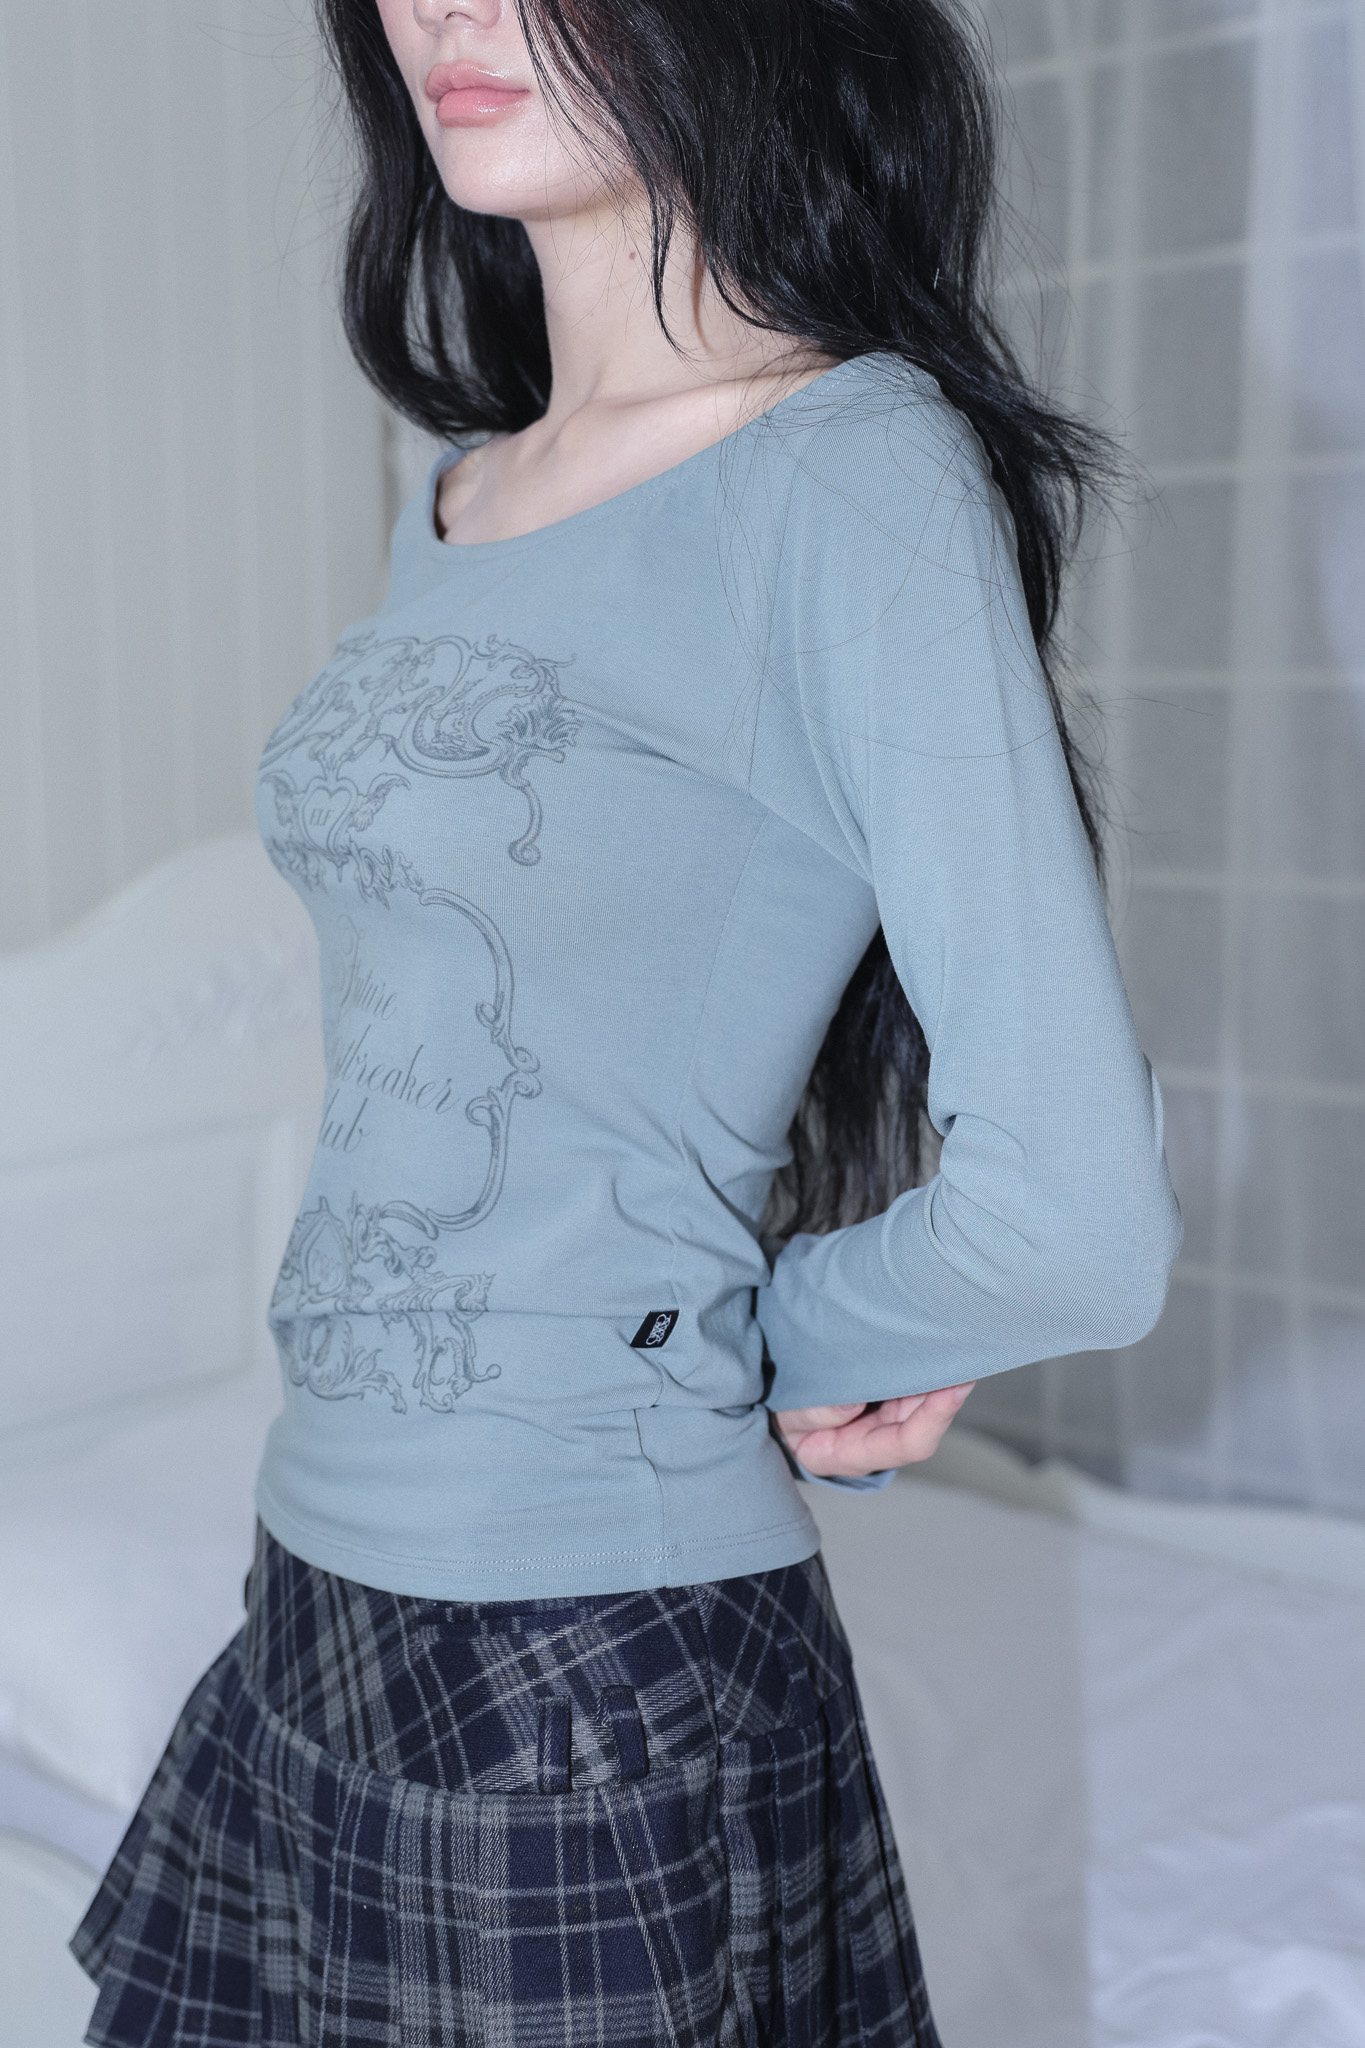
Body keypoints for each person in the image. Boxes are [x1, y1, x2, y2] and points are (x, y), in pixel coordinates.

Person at [72, 0, 1181, 2041]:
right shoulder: (461, 491)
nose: (445, 9)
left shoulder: (851, 473)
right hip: (316, 1580)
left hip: (579, 1653)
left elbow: (1076, 1224)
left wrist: (772, 1336)